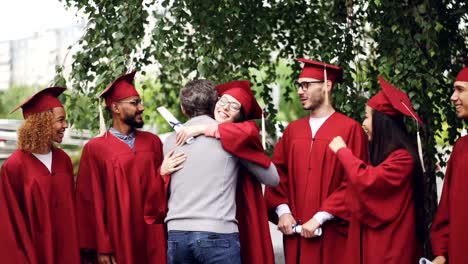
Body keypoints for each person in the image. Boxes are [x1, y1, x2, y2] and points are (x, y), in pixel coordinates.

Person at [159, 79, 279, 264]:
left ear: (183, 108)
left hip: (176, 235)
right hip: (216, 234)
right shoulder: (233, 140)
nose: (225, 108)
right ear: (214, 102)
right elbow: (272, 179)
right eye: (223, 101)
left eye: (234, 105)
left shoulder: (170, 141)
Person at [264, 58, 368, 264]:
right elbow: (276, 174)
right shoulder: (293, 130)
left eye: (306, 85)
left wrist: (320, 217)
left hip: (332, 235)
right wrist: (282, 211)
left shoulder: (350, 129)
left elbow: (355, 181)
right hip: (296, 234)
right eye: (299, 85)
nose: (300, 91)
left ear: (327, 85)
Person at [328, 76, 426, 263]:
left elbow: (369, 181)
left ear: (381, 122)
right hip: (376, 245)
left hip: (391, 248)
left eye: (366, 116)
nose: (363, 123)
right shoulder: (386, 158)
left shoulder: (403, 159)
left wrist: (343, 152)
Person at [75, 72, 169, 264]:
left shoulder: (152, 142)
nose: (141, 107)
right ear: (116, 107)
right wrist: (102, 245)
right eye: (134, 103)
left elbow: (164, 189)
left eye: (140, 102)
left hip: (152, 234)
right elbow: (91, 201)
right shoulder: (95, 149)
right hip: (118, 237)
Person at [0, 87, 80, 263]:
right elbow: (9, 223)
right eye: (61, 120)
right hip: (35, 255)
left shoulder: (63, 160)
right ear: (42, 122)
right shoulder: (14, 166)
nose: (65, 125)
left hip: (68, 252)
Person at [430, 66, 468, 264]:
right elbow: (446, 209)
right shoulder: (461, 148)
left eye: (460, 90)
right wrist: (441, 252)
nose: (453, 97)